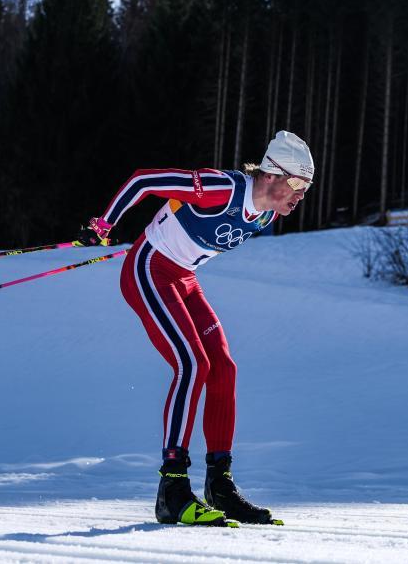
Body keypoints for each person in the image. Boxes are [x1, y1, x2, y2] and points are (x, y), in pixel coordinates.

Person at [78, 131, 314, 527]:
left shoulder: (268, 214)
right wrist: (105, 223)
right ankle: (172, 489)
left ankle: (219, 485)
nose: (301, 195)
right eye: (297, 184)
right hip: (149, 270)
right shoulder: (222, 188)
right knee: (192, 365)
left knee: (223, 368)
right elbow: (144, 180)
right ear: (272, 174)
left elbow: (182, 224)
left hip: (183, 278)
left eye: (307, 188)